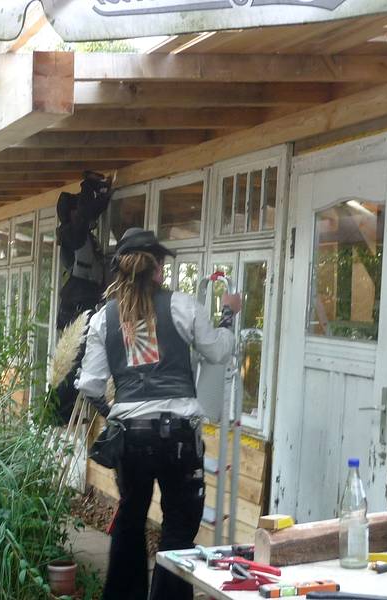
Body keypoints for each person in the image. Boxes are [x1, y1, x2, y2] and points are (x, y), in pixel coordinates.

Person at [76, 227, 241, 600]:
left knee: (130, 520)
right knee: (179, 529)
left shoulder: (104, 318)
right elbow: (216, 352)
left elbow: (89, 385)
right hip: (178, 436)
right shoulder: (182, 306)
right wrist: (229, 315)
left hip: (129, 438)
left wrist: (116, 412)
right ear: (157, 269)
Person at [53, 170, 112, 423]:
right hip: (75, 307)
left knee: (78, 360)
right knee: (72, 362)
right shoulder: (70, 233)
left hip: (81, 303)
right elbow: (85, 215)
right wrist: (92, 187)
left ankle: (65, 413)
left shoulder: (83, 236)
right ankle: (63, 415)